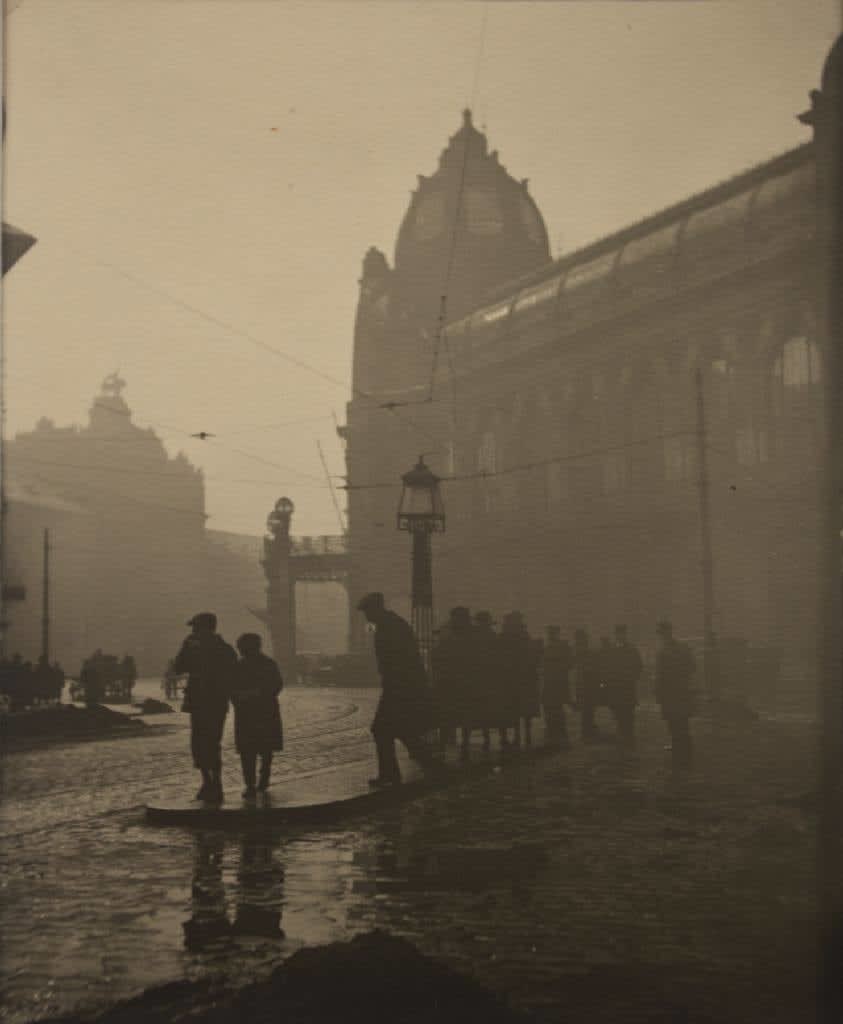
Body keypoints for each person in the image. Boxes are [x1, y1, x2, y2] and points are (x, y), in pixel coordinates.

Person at [357, 592, 441, 787]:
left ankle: (392, 774)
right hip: (402, 685)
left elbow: (397, 661)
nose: (366, 616)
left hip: (399, 686)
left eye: (367, 611)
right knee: (402, 730)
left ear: (376, 608)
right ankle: (429, 765)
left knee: (381, 730)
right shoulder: (392, 624)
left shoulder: (389, 627)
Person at [172, 612, 237, 804]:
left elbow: (178, 667)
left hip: (201, 700)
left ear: (203, 628)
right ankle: (212, 782)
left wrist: (189, 649)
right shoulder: (225, 648)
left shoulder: (195, 647)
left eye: (195, 627)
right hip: (216, 701)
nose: (192, 631)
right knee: (210, 742)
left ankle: (210, 782)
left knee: (201, 742)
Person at [231, 633, 284, 800]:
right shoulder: (266, 664)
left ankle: (256, 782)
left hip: (254, 712)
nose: (240, 651)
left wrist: (249, 695)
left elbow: (276, 685)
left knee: (254, 750)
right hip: (260, 711)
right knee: (258, 749)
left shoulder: (245, 665)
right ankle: (257, 781)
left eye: (242, 648)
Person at [432, 607, 480, 761]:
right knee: (459, 716)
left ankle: (444, 746)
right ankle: (456, 745)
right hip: (460, 681)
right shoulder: (470, 635)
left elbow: (437, 654)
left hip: (453, 681)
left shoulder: (448, 634)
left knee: (448, 716)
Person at [654, 620, 697, 769]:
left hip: (671, 693)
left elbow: (659, 675)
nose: (661, 637)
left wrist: (659, 692)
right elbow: (692, 667)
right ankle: (683, 749)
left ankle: (681, 752)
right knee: (680, 722)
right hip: (680, 692)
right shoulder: (683, 648)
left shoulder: (664, 652)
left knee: (675, 722)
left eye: (662, 633)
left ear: (666, 633)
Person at [605, 624, 643, 748]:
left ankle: (629, 739)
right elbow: (607, 668)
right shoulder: (611, 650)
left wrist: (631, 677)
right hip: (616, 689)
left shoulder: (631, 649)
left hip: (627, 688)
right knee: (618, 714)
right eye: (618, 634)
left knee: (628, 714)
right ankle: (622, 737)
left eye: (622, 633)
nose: (620, 636)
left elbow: (638, 666)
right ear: (615, 635)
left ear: (625, 635)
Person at [541, 626, 573, 749]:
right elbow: (570, 664)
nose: (550, 635)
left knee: (552, 708)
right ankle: (559, 734)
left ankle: (555, 734)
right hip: (557, 682)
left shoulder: (550, 648)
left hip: (552, 683)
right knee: (555, 708)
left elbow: (543, 665)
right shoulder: (563, 647)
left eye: (551, 633)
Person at [472, 611, 498, 752]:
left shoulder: (474, 636)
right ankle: (488, 737)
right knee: (488, 709)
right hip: (490, 677)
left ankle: (485, 737)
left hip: (478, 677)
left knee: (478, 709)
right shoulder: (492, 636)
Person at [573, 629, 602, 742]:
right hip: (587, 685)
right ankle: (587, 731)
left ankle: (587, 732)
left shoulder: (580, 652)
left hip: (585, 685)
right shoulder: (586, 652)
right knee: (588, 710)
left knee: (587, 710)